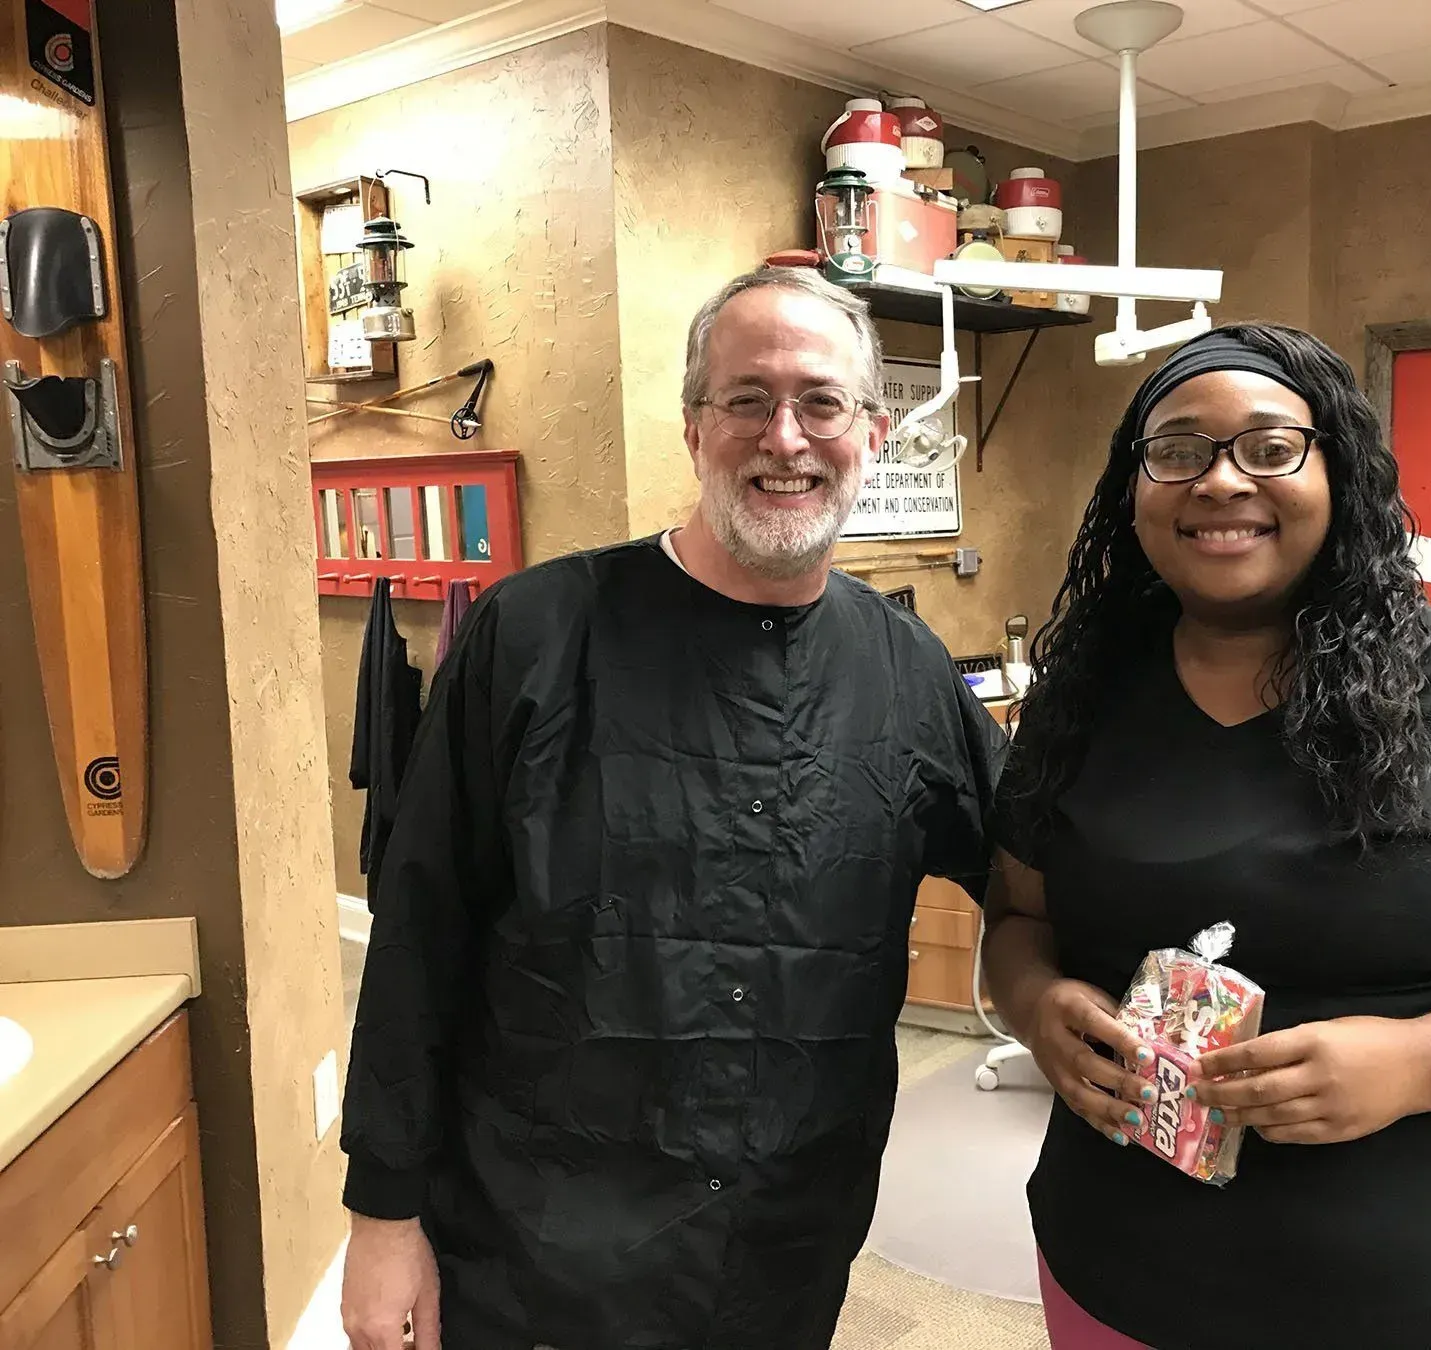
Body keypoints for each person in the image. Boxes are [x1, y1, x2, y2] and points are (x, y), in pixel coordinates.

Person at [339, 267, 1007, 1350]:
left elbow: (1045, 868)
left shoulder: (908, 673)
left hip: (782, 1242)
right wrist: (383, 1214)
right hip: (536, 1248)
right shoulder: (535, 635)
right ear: (696, 428)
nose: (785, 438)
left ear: (873, 433)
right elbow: (419, 934)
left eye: (821, 403)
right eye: (746, 399)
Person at [983, 324, 1431, 1350]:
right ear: (1133, 489)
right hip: (1121, 1276)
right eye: (1179, 450)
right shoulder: (1078, 705)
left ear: (1338, 471)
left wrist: (1420, 1063)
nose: (1221, 482)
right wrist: (1039, 1002)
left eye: (1271, 448)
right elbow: (1019, 920)